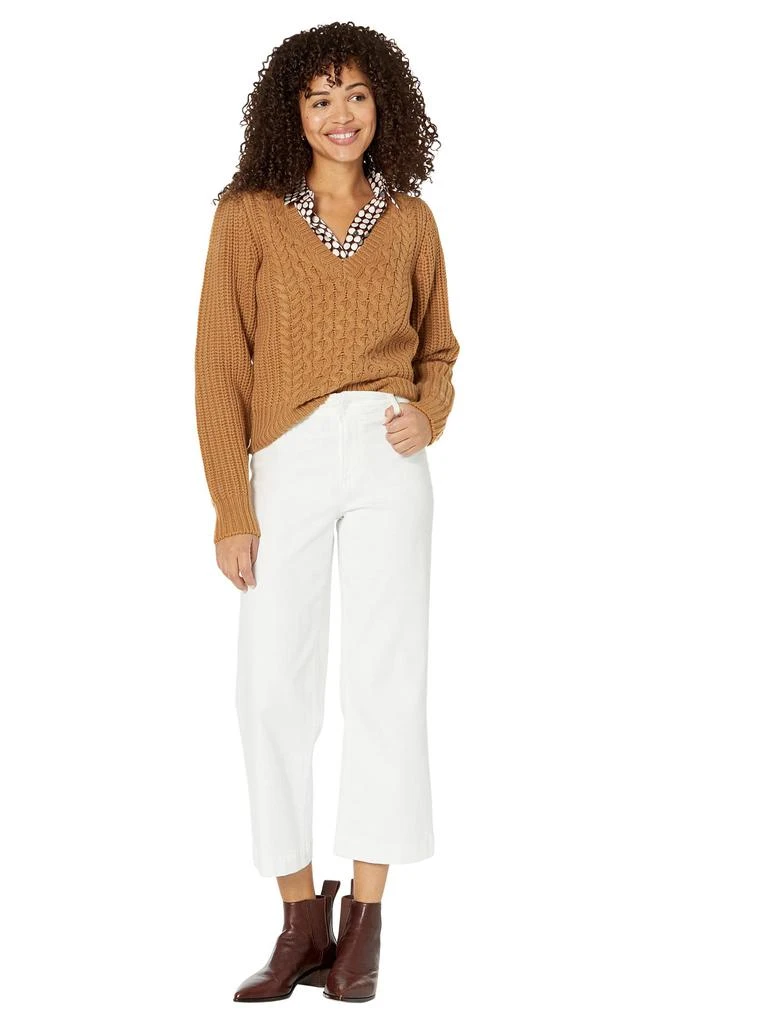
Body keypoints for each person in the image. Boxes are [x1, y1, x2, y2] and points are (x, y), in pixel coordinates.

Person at [194, 22, 461, 1003]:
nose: (340, 115)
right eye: (319, 98)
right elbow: (219, 364)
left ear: (382, 103)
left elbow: (439, 349)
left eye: (355, 95)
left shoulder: (412, 219)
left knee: (385, 683)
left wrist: (428, 413)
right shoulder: (248, 216)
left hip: (388, 458)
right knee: (271, 688)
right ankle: (299, 916)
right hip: (288, 461)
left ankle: (366, 924)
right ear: (292, 113)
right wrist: (232, 506)